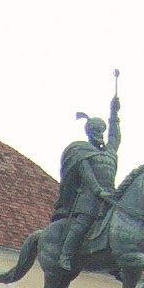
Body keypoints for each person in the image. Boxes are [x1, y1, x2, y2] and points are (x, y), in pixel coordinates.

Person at [48, 93, 121, 269]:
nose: (99, 135)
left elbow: (115, 136)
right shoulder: (81, 150)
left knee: (120, 223)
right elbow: (87, 175)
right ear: (89, 133)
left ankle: (117, 262)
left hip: (110, 196)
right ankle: (66, 255)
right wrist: (98, 191)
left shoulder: (110, 152)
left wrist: (114, 114)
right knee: (82, 224)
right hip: (89, 197)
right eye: (95, 132)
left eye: (101, 131)